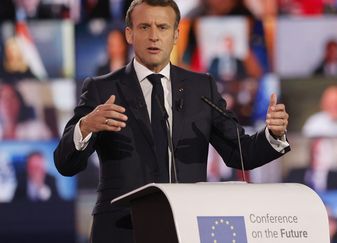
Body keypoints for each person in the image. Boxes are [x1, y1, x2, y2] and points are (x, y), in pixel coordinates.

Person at [53, 1, 290, 242]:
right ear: (129, 34)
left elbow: (240, 152)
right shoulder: (101, 88)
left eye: (163, 27)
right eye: (145, 27)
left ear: (176, 34)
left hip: (187, 228)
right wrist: (85, 126)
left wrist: (273, 134)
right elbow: (64, 163)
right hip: (122, 230)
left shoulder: (202, 87)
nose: (154, 36)